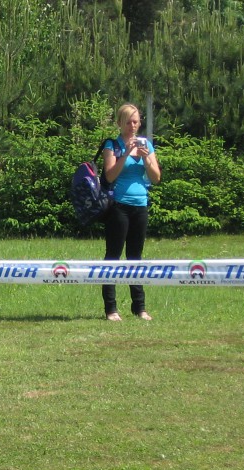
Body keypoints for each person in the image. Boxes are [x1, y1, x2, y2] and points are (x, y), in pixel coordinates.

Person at [101, 103, 162, 322]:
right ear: (120, 123)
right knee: (113, 257)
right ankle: (111, 309)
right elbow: (109, 176)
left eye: (135, 122)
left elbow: (156, 178)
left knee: (135, 257)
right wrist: (126, 154)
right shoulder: (112, 145)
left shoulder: (147, 144)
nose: (132, 126)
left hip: (140, 206)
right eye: (128, 122)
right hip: (119, 207)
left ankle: (140, 307)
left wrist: (146, 158)